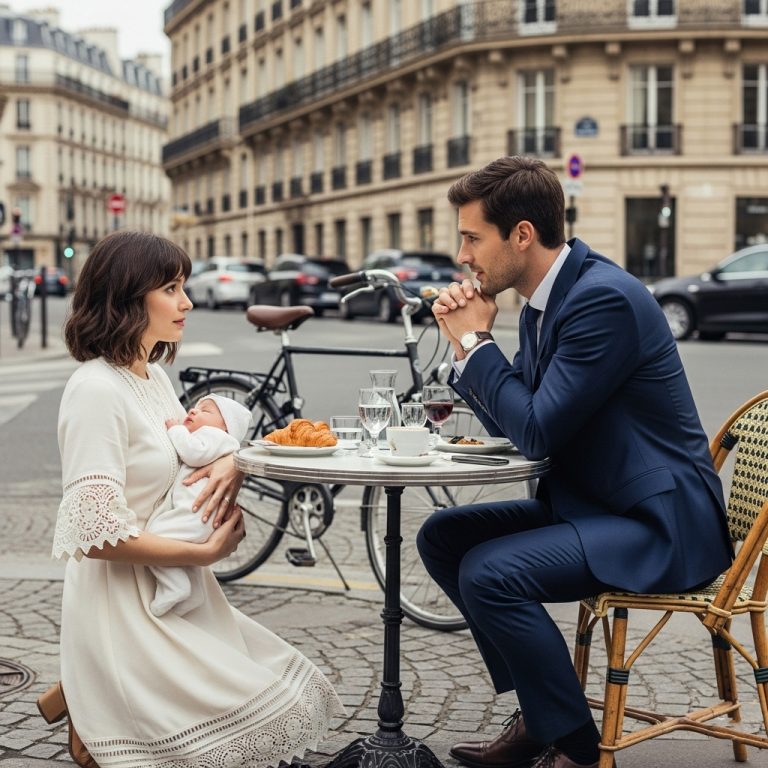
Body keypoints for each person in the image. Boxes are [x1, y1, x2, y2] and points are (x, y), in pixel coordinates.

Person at [416, 156, 733, 768]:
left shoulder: (602, 301)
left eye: (472, 238)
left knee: (490, 573)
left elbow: (536, 433)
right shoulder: (545, 299)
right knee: (444, 537)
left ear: (523, 235)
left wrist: (479, 344)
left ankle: (574, 745)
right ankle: (542, 715)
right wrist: (465, 348)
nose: (463, 256)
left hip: (661, 524)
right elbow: (520, 419)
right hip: (597, 505)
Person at [36, 231, 345, 768]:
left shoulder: (152, 374)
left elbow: (189, 448)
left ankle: (85, 695)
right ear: (129, 297)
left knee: (277, 682)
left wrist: (230, 461)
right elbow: (92, 537)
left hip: (174, 590)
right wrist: (203, 555)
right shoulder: (94, 389)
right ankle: (94, 693)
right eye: (172, 288)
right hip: (124, 601)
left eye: (184, 286)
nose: (188, 302)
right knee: (254, 713)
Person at [147, 393, 252, 617]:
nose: (193, 411)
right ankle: (193, 593)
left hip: (195, 514)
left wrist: (176, 431)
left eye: (206, 411)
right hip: (198, 516)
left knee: (155, 537)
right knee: (186, 558)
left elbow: (193, 454)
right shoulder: (216, 440)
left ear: (226, 427)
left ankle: (174, 586)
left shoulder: (216, 438)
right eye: (194, 407)